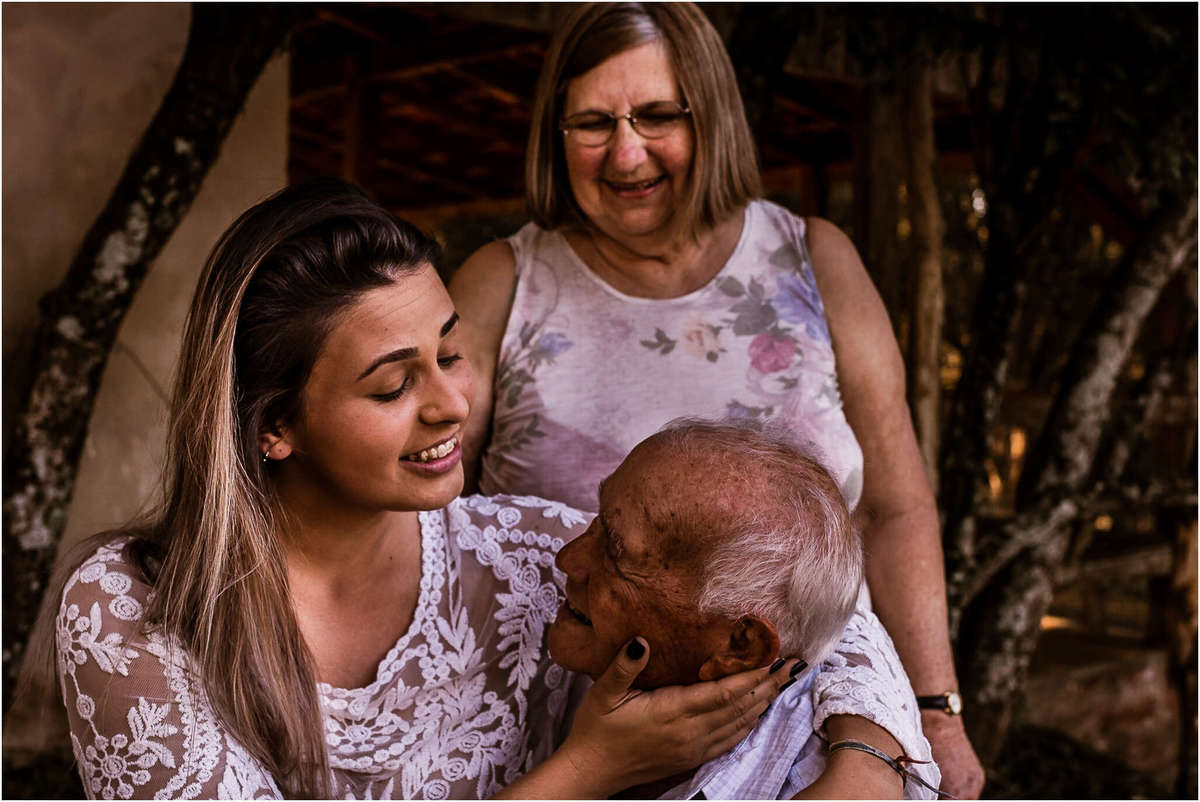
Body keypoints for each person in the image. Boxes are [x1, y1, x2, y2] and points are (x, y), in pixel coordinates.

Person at [41, 179, 799, 800]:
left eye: (450, 352)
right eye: (394, 385)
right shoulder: (132, 610)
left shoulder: (533, 556)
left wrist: (873, 756)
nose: (451, 403)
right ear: (274, 427)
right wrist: (589, 770)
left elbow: (820, 612)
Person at [449, 3, 985, 797]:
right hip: (571, 732)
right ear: (554, 136)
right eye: (592, 123)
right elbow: (418, 511)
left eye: (658, 115)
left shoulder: (814, 261)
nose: (626, 152)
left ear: (713, 116)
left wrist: (936, 710)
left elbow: (892, 509)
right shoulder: (503, 283)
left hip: (823, 730)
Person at [547, 418, 943, 799]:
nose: (566, 559)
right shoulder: (514, 561)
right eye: (596, 520)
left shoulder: (809, 783)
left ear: (741, 645)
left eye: (615, 553)